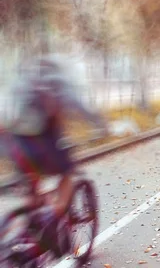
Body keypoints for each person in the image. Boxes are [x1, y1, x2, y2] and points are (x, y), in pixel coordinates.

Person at [6, 54, 108, 255]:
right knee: (68, 173)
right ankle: (52, 216)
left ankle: (27, 238)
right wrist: (101, 125)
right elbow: (80, 106)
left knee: (32, 187)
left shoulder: (24, 81)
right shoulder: (58, 81)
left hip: (15, 145)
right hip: (43, 144)